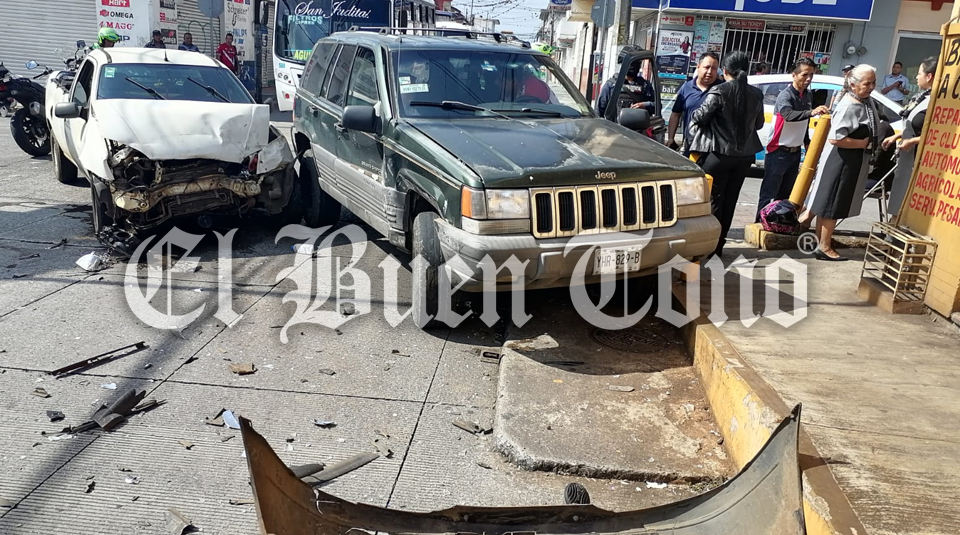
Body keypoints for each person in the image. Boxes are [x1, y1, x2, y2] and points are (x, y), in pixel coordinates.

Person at [687, 51, 765, 259]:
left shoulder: (719, 91)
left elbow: (699, 117)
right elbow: (759, 124)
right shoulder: (756, 94)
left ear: (725, 70)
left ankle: (708, 247)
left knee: (713, 201)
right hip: (744, 156)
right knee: (730, 201)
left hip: (718, 154)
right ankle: (719, 246)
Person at [803, 65, 880, 261]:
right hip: (841, 161)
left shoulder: (865, 102)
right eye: (867, 83)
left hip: (850, 161)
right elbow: (836, 138)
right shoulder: (849, 105)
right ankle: (824, 246)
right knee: (832, 204)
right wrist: (862, 143)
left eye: (873, 82)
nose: (871, 87)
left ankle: (822, 243)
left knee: (829, 202)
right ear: (853, 85)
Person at [755, 57, 830, 221]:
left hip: (795, 152)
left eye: (811, 75)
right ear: (794, 75)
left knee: (785, 196)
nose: (808, 79)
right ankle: (760, 223)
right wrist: (812, 112)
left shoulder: (808, 94)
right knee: (769, 194)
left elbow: (805, 122)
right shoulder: (785, 95)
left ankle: (777, 225)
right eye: (805, 75)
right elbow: (788, 115)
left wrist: (807, 141)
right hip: (778, 151)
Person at [883, 56, 937, 218]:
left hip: (918, 158)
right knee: (900, 192)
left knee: (908, 196)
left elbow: (936, 133)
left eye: (919, 73)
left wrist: (912, 140)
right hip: (906, 156)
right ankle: (895, 221)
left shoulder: (936, 101)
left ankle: (899, 223)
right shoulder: (923, 96)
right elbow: (916, 125)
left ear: (929, 76)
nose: (916, 77)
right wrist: (898, 136)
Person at [667, 52, 722, 154]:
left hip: (714, 149)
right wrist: (671, 138)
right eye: (706, 67)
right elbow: (675, 114)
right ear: (698, 67)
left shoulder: (722, 89)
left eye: (714, 68)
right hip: (690, 145)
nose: (710, 72)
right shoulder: (686, 88)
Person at [596, 46, 655, 118]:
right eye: (632, 63)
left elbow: (656, 106)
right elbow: (599, 111)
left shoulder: (645, 85)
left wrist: (644, 105)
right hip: (614, 124)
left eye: (637, 63)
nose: (634, 67)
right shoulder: (611, 85)